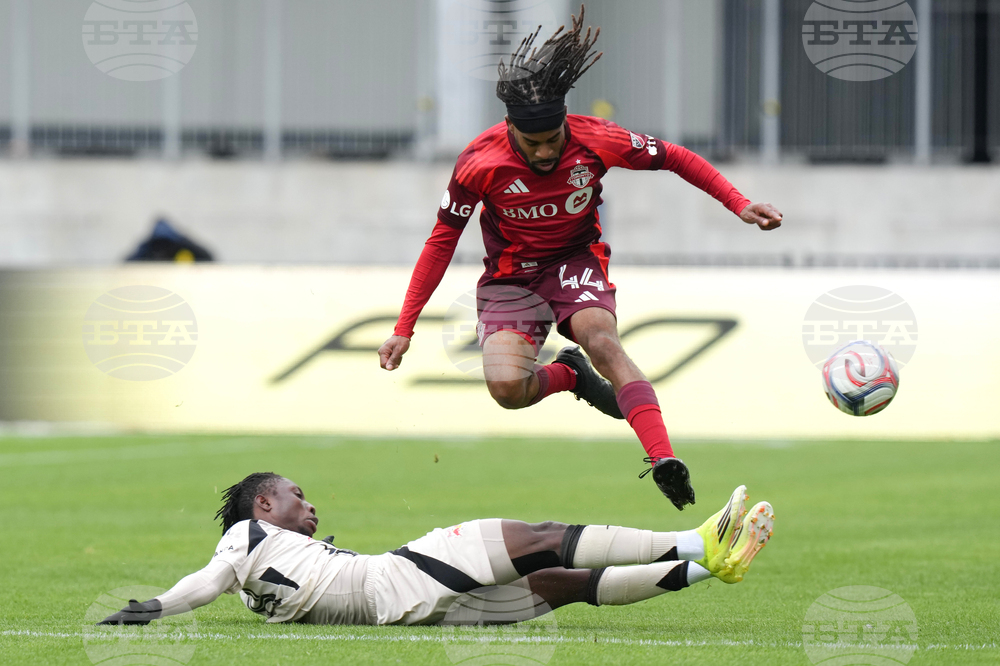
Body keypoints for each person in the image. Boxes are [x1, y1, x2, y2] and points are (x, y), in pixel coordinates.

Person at [377, 6, 784, 510]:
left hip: (575, 261)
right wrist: (404, 327)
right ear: (510, 128)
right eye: (533, 143)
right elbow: (442, 239)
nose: (545, 152)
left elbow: (674, 156)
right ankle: (571, 375)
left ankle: (663, 458)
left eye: (553, 140)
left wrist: (738, 203)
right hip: (511, 279)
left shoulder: (596, 138)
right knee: (507, 390)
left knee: (603, 341)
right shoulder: (479, 162)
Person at [98, 472, 775, 627]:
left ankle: (705, 568)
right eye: (296, 496)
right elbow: (206, 581)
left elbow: (235, 584)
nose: (310, 507)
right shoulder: (244, 538)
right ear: (263, 507)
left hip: (416, 614)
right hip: (398, 578)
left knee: (561, 586)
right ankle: (695, 539)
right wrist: (156, 606)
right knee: (540, 538)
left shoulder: (259, 579)